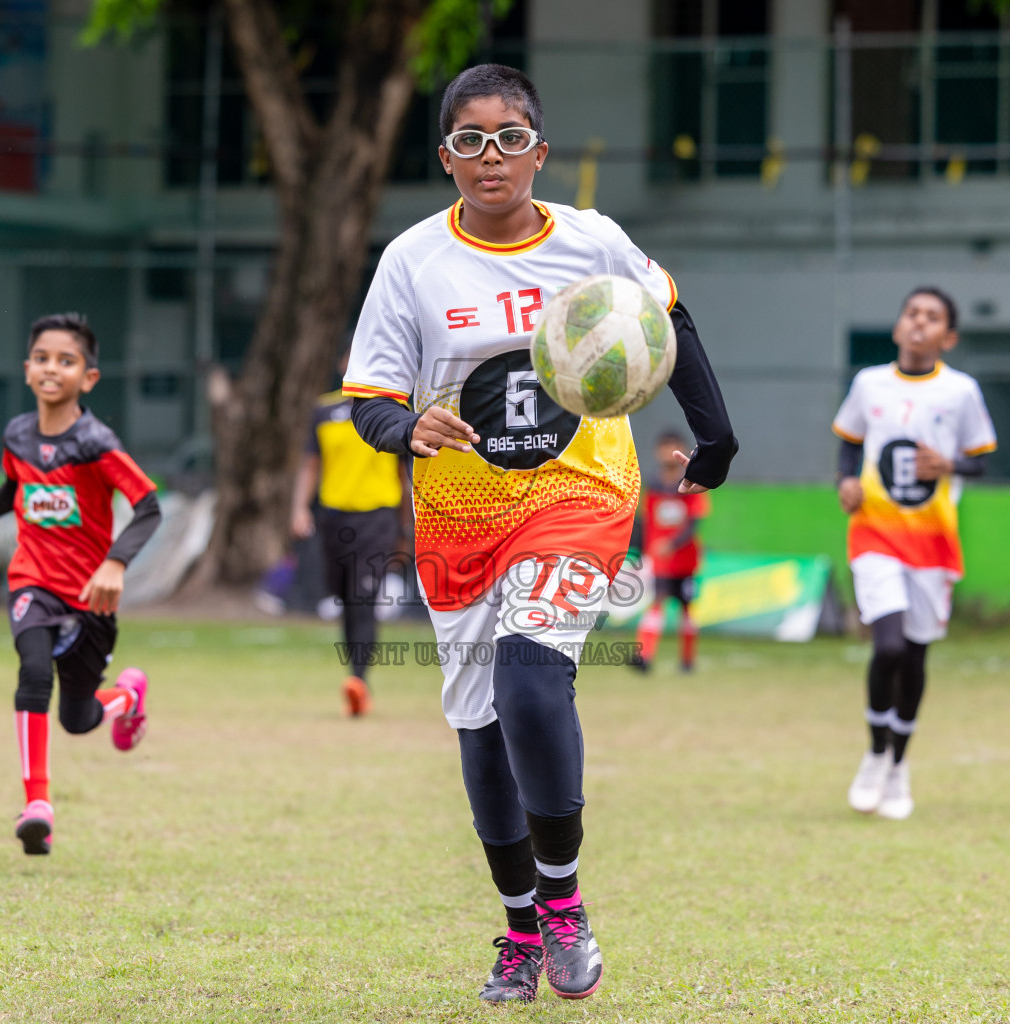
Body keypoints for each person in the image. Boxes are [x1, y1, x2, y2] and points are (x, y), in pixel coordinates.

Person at [343, 64, 736, 1003]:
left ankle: (563, 904)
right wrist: (408, 427)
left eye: (510, 137)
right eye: (471, 140)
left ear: (540, 151)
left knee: (530, 676)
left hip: (580, 489)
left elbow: (666, 314)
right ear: (445, 158)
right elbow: (370, 399)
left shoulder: (592, 241)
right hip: (458, 513)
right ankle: (520, 926)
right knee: (480, 726)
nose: (492, 156)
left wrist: (714, 430)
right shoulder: (411, 262)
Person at [0, 312, 162, 855]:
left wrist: (116, 563)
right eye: (42, 358)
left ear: (89, 378)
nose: (51, 368)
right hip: (32, 581)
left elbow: (148, 507)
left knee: (78, 719)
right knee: (33, 671)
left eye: (66, 360)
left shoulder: (96, 443)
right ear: (27, 369)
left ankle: (128, 696)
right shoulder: (17, 434)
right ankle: (37, 804)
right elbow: (10, 488)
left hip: (90, 597)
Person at [834, 286, 996, 821]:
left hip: (932, 542)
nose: (919, 323)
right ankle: (875, 753)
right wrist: (845, 481)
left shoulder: (961, 391)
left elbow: (980, 462)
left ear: (948, 336)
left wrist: (948, 464)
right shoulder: (868, 383)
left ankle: (900, 768)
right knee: (889, 647)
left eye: (933, 318)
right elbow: (850, 440)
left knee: (917, 654)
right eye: (912, 313)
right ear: (900, 325)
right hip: (876, 533)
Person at [291, 354, 409, 716]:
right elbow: (311, 464)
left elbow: (406, 475)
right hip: (333, 517)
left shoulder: (394, 411)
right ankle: (354, 675)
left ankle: (359, 680)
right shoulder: (323, 411)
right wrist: (298, 508)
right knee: (345, 596)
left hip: (378, 517)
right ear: (343, 364)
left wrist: (408, 524)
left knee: (364, 595)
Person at [632, 430, 710, 673]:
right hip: (661, 562)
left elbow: (695, 521)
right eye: (664, 447)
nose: (668, 452)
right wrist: (645, 551)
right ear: (658, 452)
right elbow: (646, 521)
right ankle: (643, 657)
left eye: (672, 447)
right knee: (658, 602)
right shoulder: (654, 485)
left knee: (687, 609)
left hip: (685, 561)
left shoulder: (691, 483)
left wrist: (672, 544)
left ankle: (687, 660)